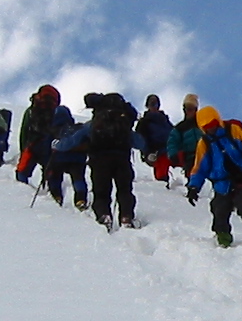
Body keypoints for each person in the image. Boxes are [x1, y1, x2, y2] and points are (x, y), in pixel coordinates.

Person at [186, 105, 242, 246]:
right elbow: (199, 169)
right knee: (219, 209)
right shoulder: (204, 143)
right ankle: (223, 238)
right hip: (222, 183)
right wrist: (193, 187)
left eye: (213, 123)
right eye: (207, 126)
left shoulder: (232, 131)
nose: (211, 128)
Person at [82, 91, 139, 228]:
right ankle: (126, 217)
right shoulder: (123, 122)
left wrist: (58, 146)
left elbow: (76, 138)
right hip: (122, 160)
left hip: (100, 160)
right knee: (125, 191)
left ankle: (104, 216)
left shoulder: (94, 124)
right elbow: (138, 141)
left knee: (101, 192)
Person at [44, 104, 92, 210]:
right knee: (78, 179)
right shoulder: (77, 128)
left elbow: (47, 146)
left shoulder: (53, 129)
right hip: (77, 160)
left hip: (58, 159)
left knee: (55, 178)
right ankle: (80, 199)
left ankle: (56, 196)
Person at [15, 84, 60, 188]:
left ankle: (21, 192)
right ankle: (55, 196)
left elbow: (24, 130)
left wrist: (23, 149)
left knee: (22, 172)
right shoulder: (56, 111)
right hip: (49, 147)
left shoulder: (31, 110)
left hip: (32, 144)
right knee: (52, 174)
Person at [167, 94, 203, 184]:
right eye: (187, 108)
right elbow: (172, 141)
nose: (188, 111)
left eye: (191, 109)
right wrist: (173, 154)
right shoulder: (180, 127)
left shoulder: (202, 124)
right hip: (189, 156)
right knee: (192, 175)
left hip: (204, 155)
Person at [137, 95, 174, 180]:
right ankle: (163, 185)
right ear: (148, 106)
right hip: (156, 152)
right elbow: (141, 139)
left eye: (156, 104)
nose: (154, 106)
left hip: (170, 149)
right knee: (161, 172)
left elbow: (173, 134)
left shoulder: (165, 120)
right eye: (152, 104)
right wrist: (147, 153)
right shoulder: (144, 123)